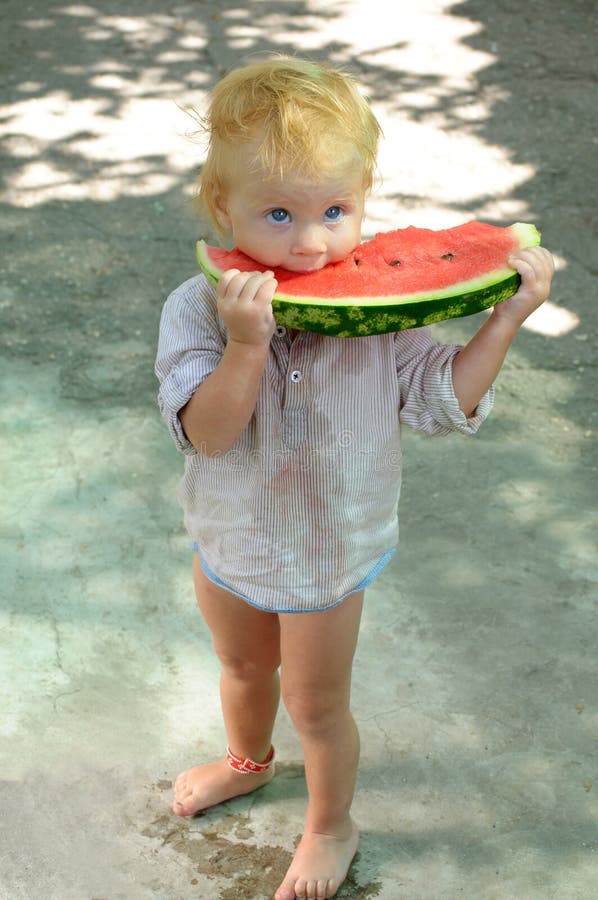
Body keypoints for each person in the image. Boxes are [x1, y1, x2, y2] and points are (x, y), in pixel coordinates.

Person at [155, 56, 554, 900]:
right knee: (239, 667)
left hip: (330, 553)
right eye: (278, 213)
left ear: (365, 198)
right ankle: (247, 762)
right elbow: (209, 434)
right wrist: (246, 345)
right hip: (231, 536)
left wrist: (505, 316)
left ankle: (332, 824)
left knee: (317, 704)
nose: (310, 242)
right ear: (222, 209)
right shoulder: (197, 308)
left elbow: (442, 401)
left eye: (336, 211)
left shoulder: (373, 320)